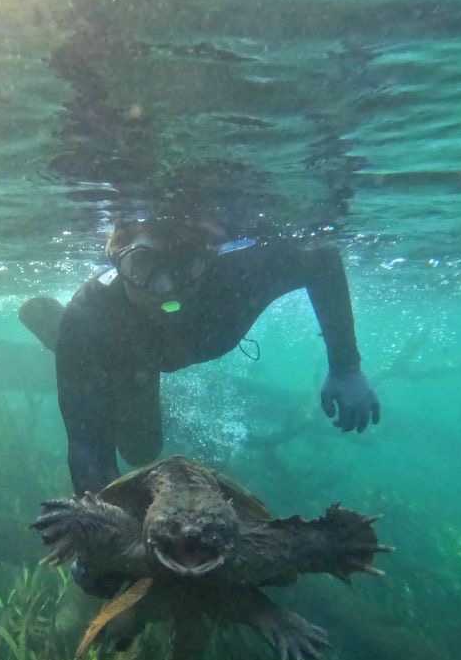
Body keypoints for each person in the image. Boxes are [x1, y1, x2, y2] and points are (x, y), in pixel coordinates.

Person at [20, 215, 380, 504]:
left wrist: (346, 365)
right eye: (142, 265)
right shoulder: (89, 315)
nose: (165, 288)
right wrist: (98, 529)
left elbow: (321, 255)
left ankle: (81, 354)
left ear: (208, 260)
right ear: (116, 261)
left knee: (142, 450)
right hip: (127, 359)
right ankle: (68, 344)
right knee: (136, 444)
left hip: (142, 359)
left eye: (183, 264)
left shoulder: (239, 272)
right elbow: (87, 446)